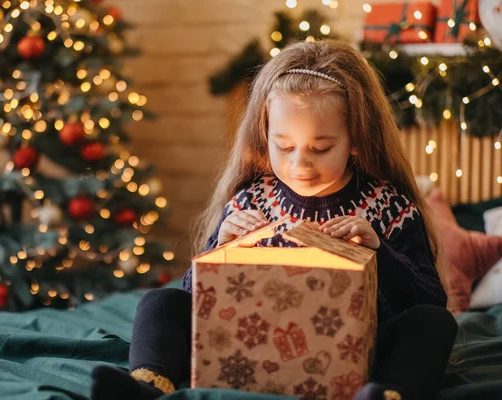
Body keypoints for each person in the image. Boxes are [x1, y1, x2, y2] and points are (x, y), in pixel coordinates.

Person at [90, 40, 458, 400]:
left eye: (321, 148)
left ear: (357, 140)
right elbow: (192, 298)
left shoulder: (388, 207)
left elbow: (431, 299)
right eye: (283, 146)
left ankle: (387, 394)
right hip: (245, 347)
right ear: (264, 135)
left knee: (434, 323)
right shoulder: (251, 200)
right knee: (158, 303)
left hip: (356, 353)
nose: (300, 164)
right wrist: (223, 249)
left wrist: (379, 254)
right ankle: (146, 387)